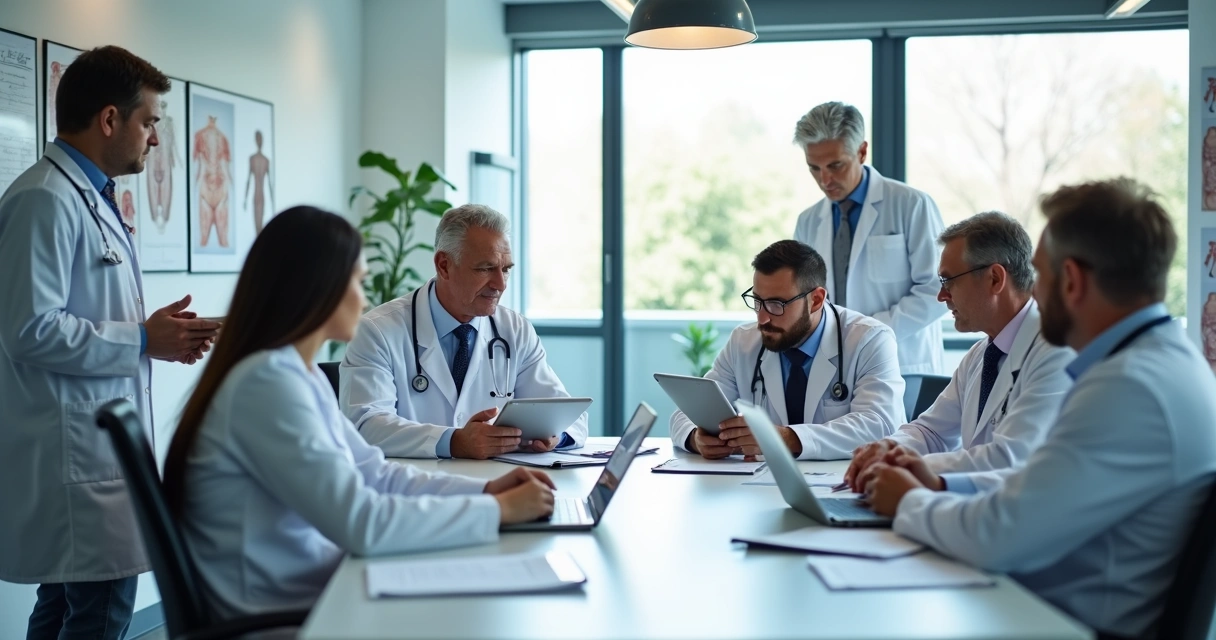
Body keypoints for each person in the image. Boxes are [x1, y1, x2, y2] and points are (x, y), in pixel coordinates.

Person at [163, 207, 557, 619]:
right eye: (358, 281)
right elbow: (363, 523)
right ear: (316, 288)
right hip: (283, 616)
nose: (365, 297)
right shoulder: (266, 385)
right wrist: (500, 511)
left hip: (319, 592)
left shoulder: (296, 372)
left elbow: (375, 474)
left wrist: (484, 492)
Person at [862, 179, 1216, 638]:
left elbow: (1000, 535)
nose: (1033, 289)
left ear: (1071, 281)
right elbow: (1038, 487)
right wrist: (942, 481)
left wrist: (909, 501)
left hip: (1059, 621)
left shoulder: (1127, 390)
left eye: (1041, 274)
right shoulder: (1164, 364)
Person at [0, 46, 219, 640]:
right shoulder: (43, 199)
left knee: (66, 611)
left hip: (91, 452)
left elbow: (78, 314)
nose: (153, 139)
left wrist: (154, 335)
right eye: (149, 122)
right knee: (98, 616)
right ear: (108, 120)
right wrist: (145, 337)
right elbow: (29, 329)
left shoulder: (87, 197)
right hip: (75, 458)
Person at [844, 212, 1074, 489]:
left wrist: (903, 464)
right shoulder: (981, 355)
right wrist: (889, 448)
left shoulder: (1056, 351)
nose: (941, 296)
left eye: (948, 281)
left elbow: (1009, 458)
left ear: (995, 279)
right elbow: (930, 431)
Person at [341, 204, 588, 459]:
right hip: (411, 490)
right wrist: (453, 441)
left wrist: (555, 435)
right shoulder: (377, 331)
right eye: (485, 268)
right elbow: (364, 425)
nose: (500, 284)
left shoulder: (514, 330)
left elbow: (569, 415)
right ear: (444, 265)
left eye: (505, 270)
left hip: (498, 486)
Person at [671, 240, 905, 461]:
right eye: (757, 301)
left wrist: (786, 439)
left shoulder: (869, 339)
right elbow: (691, 410)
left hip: (848, 481)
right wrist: (696, 438)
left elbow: (879, 424)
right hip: (765, 485)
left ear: (815, 300)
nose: (762, 318)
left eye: (776, 305)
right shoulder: (743, 342)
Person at [792, 102, 947, 375]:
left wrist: (868, 334)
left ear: (862, 151)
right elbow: (805, 299)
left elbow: (937, 289)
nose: (825, 179)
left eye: (835, 165)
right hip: (834, 369)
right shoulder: (808, 222)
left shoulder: (912, 205)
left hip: (904, 365)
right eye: (814, 168)